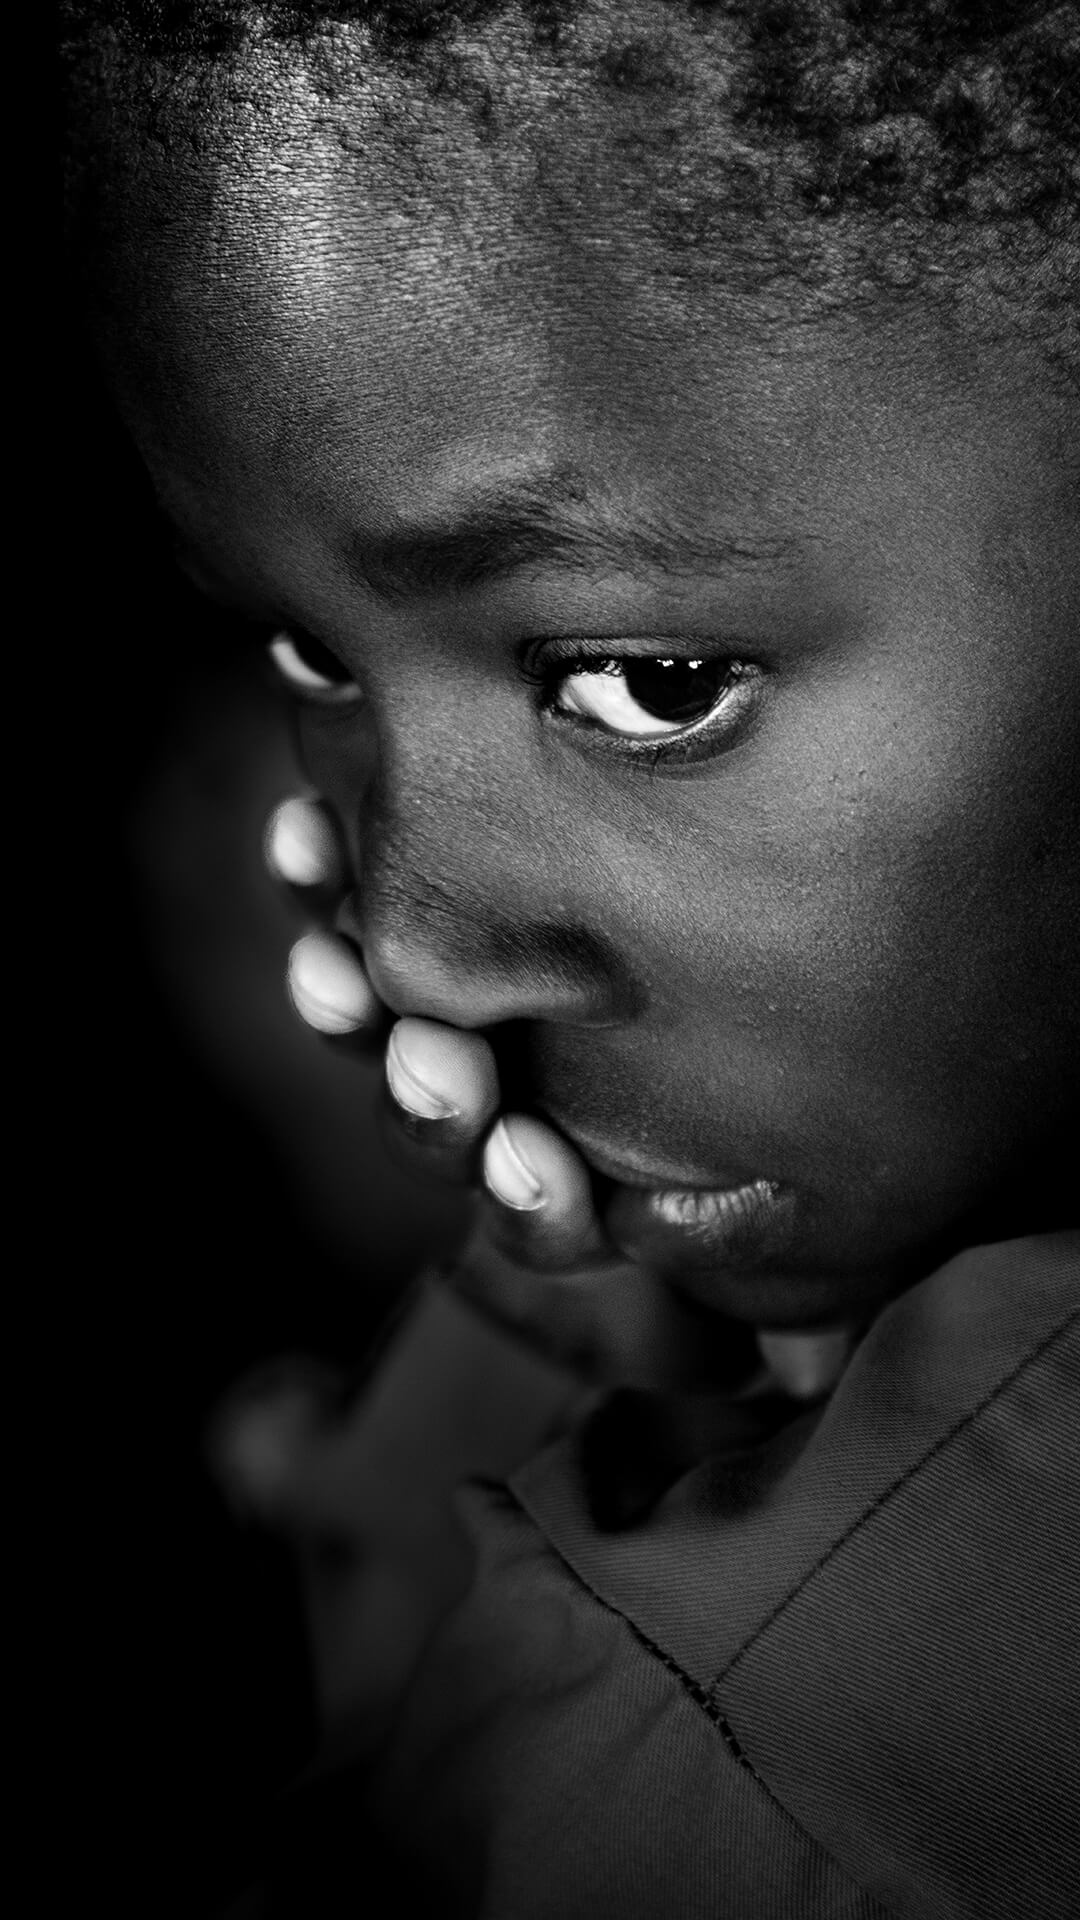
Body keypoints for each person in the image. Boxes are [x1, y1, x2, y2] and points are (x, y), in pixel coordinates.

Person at [62, 2, 1079, 1914]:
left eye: (657, 686)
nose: (413, 943)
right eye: (308, 652)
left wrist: (535, 1628)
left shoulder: (766, 1779)